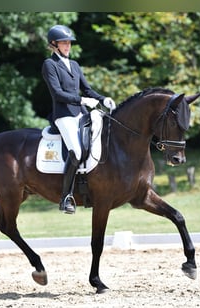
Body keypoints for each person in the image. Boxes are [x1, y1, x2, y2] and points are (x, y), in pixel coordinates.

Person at [42, 24, 116, 214]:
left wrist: (102, 99)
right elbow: (57, 93)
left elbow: (87, 89)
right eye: (63, 43)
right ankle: (66, 196)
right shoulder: (50, 65)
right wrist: (82, 99)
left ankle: (91, 187)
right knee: (75, 151)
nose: (67, 46)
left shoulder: (74, 65)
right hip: (64, 115)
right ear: (54, 44)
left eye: (69, 43)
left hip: (81, 113)